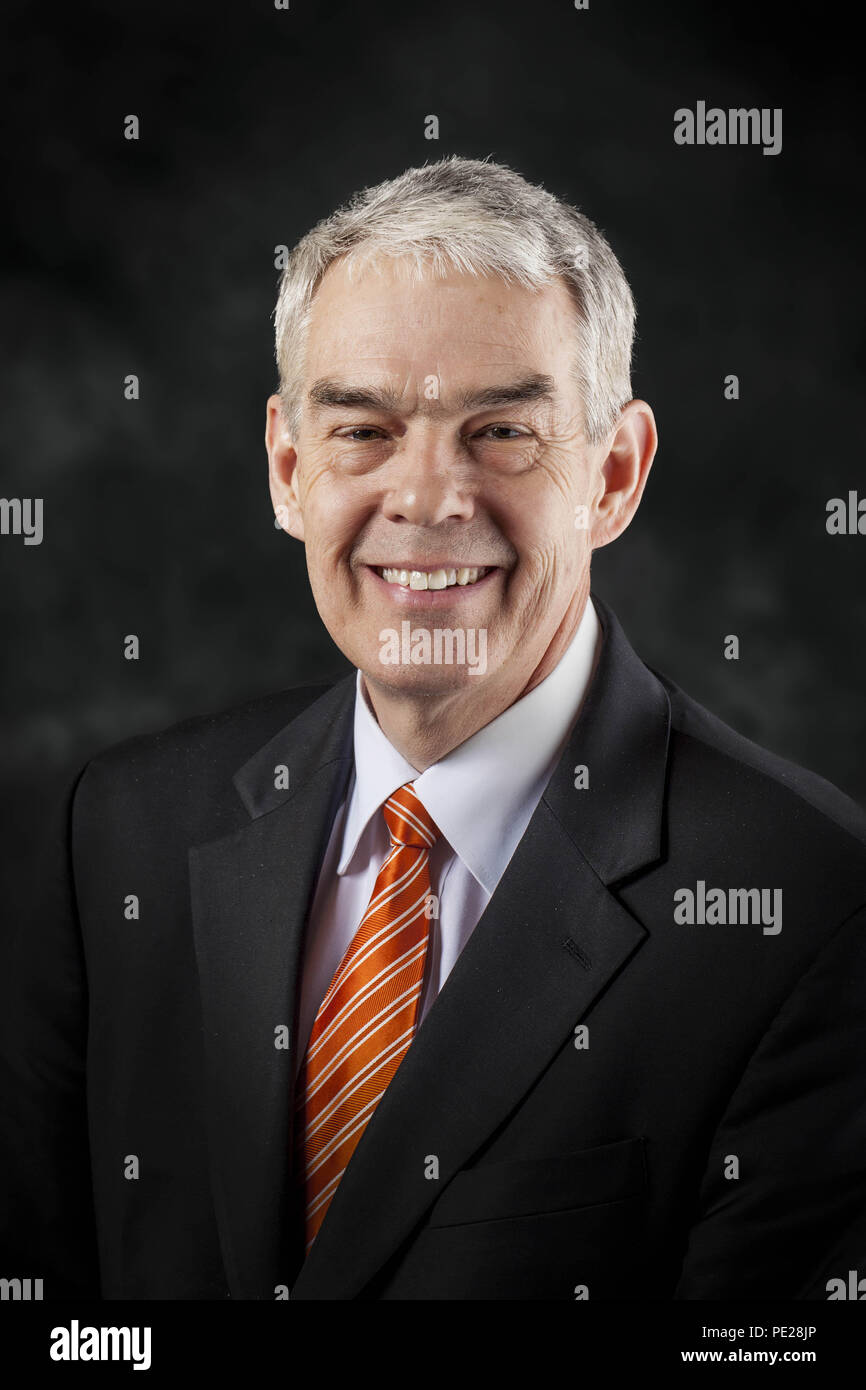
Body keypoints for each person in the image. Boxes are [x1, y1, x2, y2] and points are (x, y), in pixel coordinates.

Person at [2, 156, 865, 1301]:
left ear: (613, 474)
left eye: (501, 430)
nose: (427, 497)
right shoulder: (122, 827)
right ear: (286, 468)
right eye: (360, 429)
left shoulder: (806, 901)